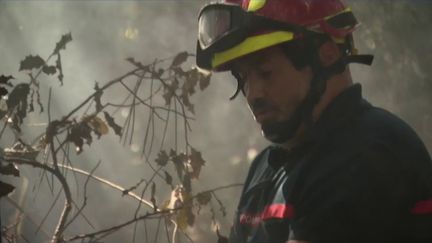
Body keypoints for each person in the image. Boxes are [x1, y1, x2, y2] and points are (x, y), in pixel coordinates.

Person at [196, 0, 432, 242]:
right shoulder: (267, 167)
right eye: (243, 78)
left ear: (327, 55)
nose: (253, 93)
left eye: (265, 73)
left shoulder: (365, 154)